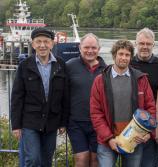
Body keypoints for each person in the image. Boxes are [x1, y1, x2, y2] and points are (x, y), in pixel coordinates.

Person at [90, 39, 156, 167]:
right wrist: (108, 138)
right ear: (114, 55)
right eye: (120, 54)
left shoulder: (141, 79)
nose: (123, 58)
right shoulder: (100, 80)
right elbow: (95, 113)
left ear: (131, 57)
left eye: (127, 55)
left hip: (134, 140)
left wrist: (147, 133)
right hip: (108, 140)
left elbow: (150, 108)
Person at [11, 27, 69, 167]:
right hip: (30, 121)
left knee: (46, 160)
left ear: (52, 43)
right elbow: (17, 97)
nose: (42, 45)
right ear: (33, 44)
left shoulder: (61, 65)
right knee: (33, 159)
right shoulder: (25, 66)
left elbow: (65, 97)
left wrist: (62, 122)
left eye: (46, 42)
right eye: (38, 42)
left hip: (51, 121)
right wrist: (16, 125)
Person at [130, 27, 158, 167]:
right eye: (141, 43)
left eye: (148, 44)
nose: (145, 47)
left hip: (152, 125)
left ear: (154, 45)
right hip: (130, 125)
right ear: (135, 44)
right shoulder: (127, 63)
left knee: (149, 163)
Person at [66, 33, 106, 167]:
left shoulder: (105, 70)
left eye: (94, 47)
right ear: (80, 48)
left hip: (98, 122)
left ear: (99, 49)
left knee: (95, 159)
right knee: (81, 158)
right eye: (86, 47)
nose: (90, 51)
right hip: (76, 122)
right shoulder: (70, 66)